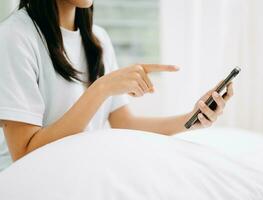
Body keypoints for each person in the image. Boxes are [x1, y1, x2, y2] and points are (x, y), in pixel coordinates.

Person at [0, 0, 233, 171]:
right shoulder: (14, 36)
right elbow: (24, 153)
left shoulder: (97, 39)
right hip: (26, 179)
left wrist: (190, 120)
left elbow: (125, 123)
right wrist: (101, 89)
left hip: (76, 170)